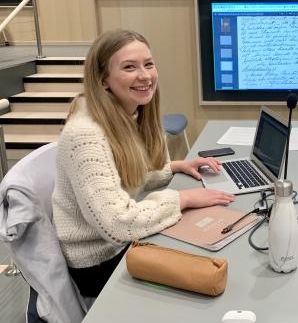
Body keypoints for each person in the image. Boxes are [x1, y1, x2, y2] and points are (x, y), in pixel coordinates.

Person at [52, 29, 235, 297]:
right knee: (206, 267)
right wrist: (182, 199)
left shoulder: (126, 113)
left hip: (123, 243)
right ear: (103, 80)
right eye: (129, 67)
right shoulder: (85, 135)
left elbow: (127, 175)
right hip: (100, 263)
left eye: (148, 64)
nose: (145, 75)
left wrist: (175, 167)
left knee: (215, 240)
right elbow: (116, 224)